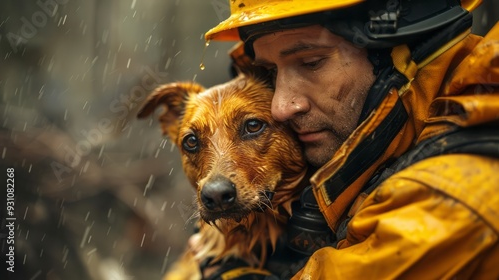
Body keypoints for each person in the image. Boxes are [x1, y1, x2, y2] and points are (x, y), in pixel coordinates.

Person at [195, 0, 499, 278]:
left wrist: (231, 274)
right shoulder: (395, 143)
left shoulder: (457, 196)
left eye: (311, 62)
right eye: (271, 71)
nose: (281, 106)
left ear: (399, 49)